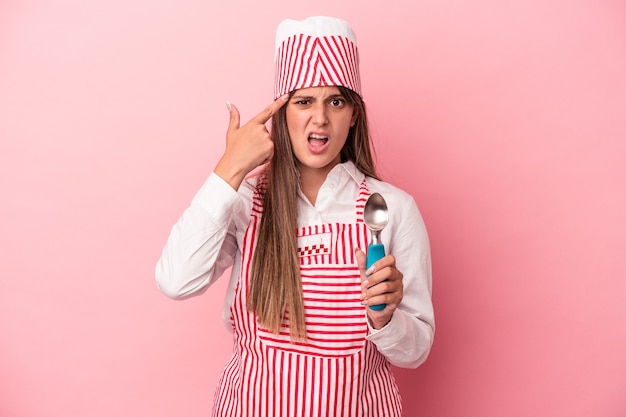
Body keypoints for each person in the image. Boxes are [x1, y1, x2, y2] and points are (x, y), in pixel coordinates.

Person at [156, 16, 434, 417]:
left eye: (335, 102)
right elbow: (175, 281)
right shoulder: (245, 200)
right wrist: (229, 170)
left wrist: (385, 318)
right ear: (282, 113)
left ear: (353, 114)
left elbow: (416, 351)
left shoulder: (391, 208)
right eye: (303, 101)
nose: (319, 118)